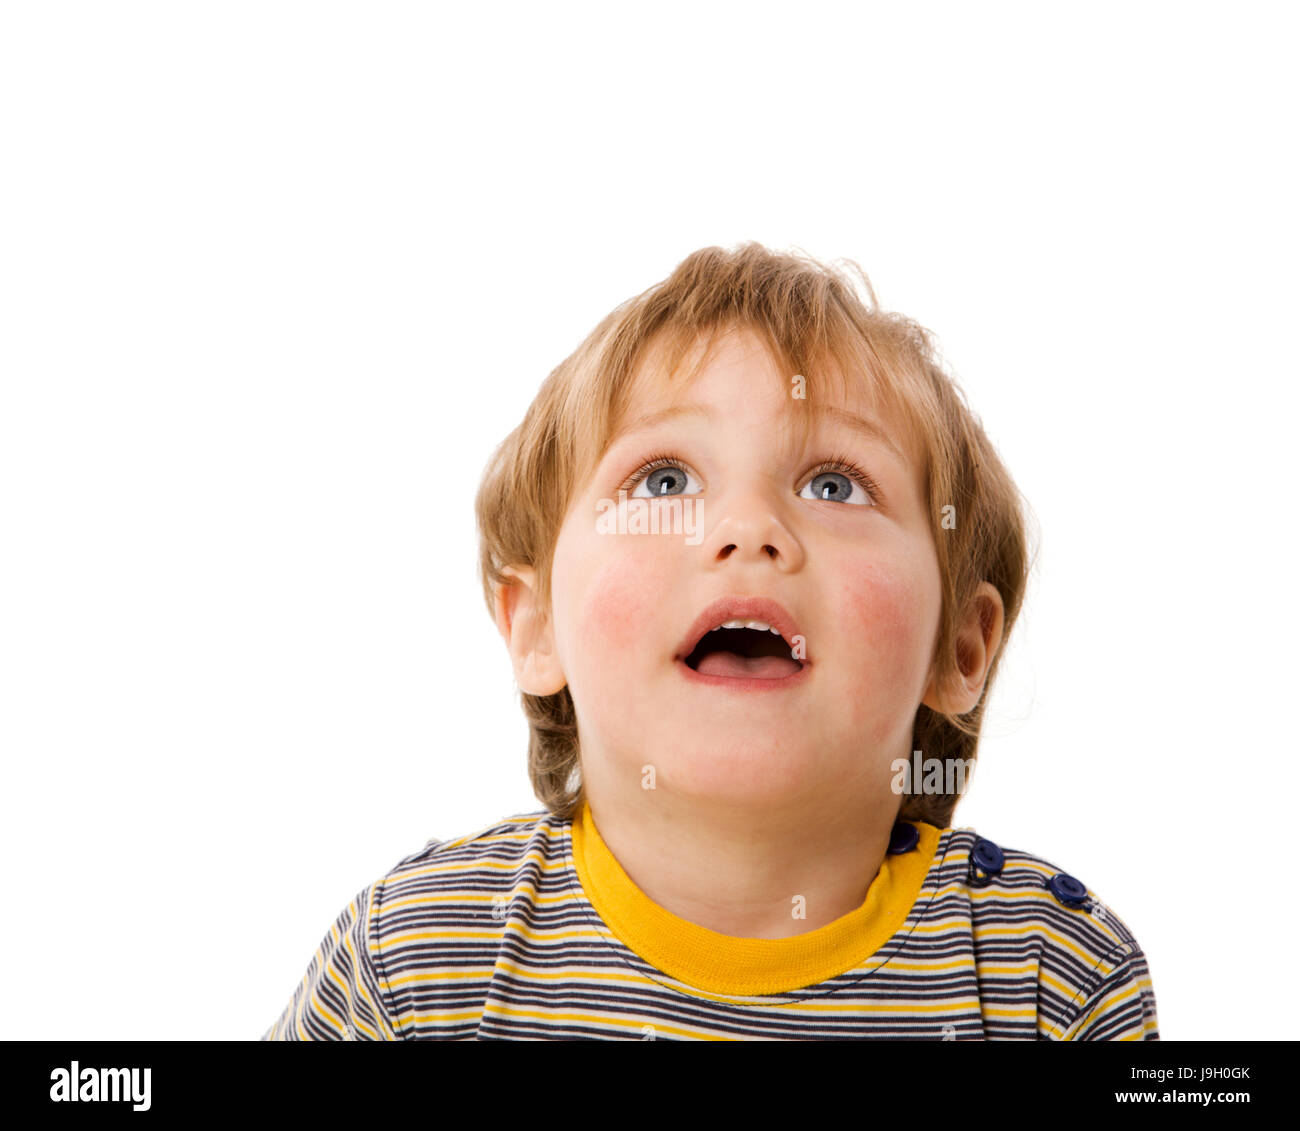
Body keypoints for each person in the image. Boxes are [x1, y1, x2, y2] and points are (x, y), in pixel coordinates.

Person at [262, 242, 1159, 1040]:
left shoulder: (1046, 979)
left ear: (959, 648)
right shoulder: (415, 966)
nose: (747, 528)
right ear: (536, 627)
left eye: (836, 484)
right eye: (662, 479)